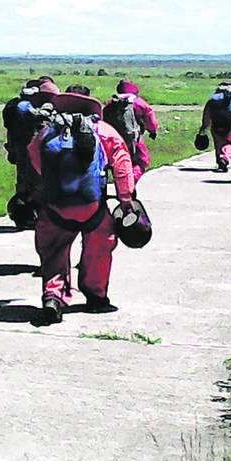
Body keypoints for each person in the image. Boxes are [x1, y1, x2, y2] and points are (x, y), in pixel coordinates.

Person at [26, 91, 136, 324]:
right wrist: (126, 200)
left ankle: (53, 296)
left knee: (53, 249)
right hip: (93, 206)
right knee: (99, 249)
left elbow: (35, 158)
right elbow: (123, 166)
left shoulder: (49, 131)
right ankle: (96, 296)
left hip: (55, 206)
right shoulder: (104, 131)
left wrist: (55, 184)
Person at [1, 76, 60, 227]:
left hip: (22, 149)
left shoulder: (19, 108)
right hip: (41, 152)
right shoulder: (41, 110)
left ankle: (24, 213)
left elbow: (11, 130)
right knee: (41, 184)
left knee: (23, 182)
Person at [103, 79, 159, 182]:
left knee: (113, 162)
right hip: (134, 139)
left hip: (113, 139)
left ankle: (119, 180)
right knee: (142, 161)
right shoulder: (138, 102)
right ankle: (130, 179)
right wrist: (153, 131)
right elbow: (150, 118)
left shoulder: (112, 102)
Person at [197, 81, 231, 173]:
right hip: (229, 125)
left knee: (218, 144)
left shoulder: (213, 99)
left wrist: (204, 126)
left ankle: (220, 161)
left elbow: (207, 113)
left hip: (216, 125)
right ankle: (224, 158)